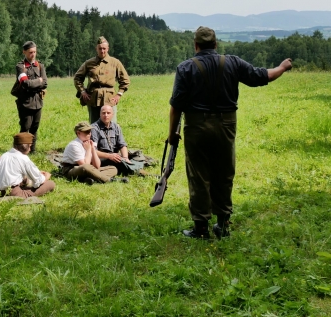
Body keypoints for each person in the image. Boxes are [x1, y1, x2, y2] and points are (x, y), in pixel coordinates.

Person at [169, 26, 292, 239]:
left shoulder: (186, 68)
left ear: (195, 45)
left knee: (199, 176)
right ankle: (223, 224)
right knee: (224, 174)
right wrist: (281, 67)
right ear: (216, 44)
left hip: (196, 128)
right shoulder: (233, 62)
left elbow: (176, 106)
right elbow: (261, 76)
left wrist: (172, 134)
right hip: (226, 126)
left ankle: (200, 229)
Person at [74, 36, 130, 124]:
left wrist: (119, 94)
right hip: (93, 98)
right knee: (94, 126)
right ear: (96, 49)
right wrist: (82, 91)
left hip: (109, 98)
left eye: (104, 48)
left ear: (108, 48)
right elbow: (77, 78)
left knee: (111, 125)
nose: (102, 51)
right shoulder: (89, 63)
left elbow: (125, 80)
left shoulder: (115, 63)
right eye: (100, 48)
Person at [0, 132, 55, 197]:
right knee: (50, 184)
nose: (30, 149)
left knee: (26, 179)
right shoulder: (23, 158)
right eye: (29, 146)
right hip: (12, 192)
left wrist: (37, 173)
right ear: (25, 146)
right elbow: (38, 181)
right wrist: (46, 177)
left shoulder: (4, 155)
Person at [90, 105, 143, 177]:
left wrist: (125, 158)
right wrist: (109, 156)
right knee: (120, 162)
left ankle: (131, 164)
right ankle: (140, 172)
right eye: (103, 113)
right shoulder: (94, 128)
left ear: (112, 114)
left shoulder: (116, 127)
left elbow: (122, 145)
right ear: (100, 114)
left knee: (137, 154)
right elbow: (93, 151)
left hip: (115, 155)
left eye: (108, 113)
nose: (106, 115)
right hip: (102, 158)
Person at [14, 41, 48, 154]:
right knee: (25, 127)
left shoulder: (40, 65)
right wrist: (39, 81)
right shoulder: (20, 66)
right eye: (30, 52)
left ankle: (32, 150)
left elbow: (45, 83)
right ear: (24, 52)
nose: (33, 54)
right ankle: (20, 150)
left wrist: (34, 83)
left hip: (38, 101)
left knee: (35, 127)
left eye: (34, 52)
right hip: (25, 102)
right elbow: (24, 83)